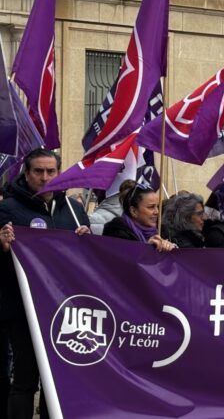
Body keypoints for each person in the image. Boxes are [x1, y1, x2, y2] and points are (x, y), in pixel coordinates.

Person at [0, 149, 91, 419]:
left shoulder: (73, 211)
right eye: (38, 171)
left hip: (62, 309)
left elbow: (87, 261)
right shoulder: (8, 209)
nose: (44, 177)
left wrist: (86, 240)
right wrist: (2, 245)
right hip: (23, 307)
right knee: (26, 376)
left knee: (57, 379)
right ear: (26, 174)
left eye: (51, 171)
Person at [102, 184, 175, 252]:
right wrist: (145, 249)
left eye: (158, 206)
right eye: (151, 207)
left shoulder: (163, 231)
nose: (157, 212)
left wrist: (171, 248)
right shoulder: (116, 234)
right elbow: (119, 262)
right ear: (134, 211)